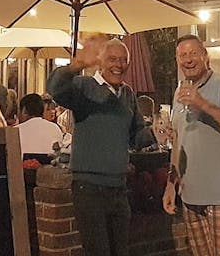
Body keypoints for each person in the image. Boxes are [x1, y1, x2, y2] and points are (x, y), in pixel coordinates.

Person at [48, 36, 154, 256]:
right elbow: (55, 89)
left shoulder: (127, 94)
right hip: (89, 188)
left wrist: (155, 133)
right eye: (112, 59)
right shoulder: (84, 86)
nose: (119, 64)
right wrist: (76, 65)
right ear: (101, 61)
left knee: (120, 251)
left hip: (119, 188)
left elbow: (136, 136)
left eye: (123, 60)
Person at [163, 34, 220, 256]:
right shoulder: (179, 91)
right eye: (182, 55)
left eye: (193, 53)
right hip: (191, 195)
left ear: (205, 56)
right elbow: (178, 142)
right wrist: (171, 184)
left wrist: (202, 104)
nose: (188, 60)